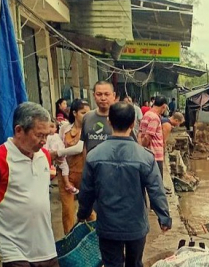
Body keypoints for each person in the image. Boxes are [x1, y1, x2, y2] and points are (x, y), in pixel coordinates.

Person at [77, 102, 171, 267]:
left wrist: (83, 214)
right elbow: (156, 190)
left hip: (107, 224)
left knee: (112, 264)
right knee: (134, 263)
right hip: (135, 225)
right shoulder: (145, 156)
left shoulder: (93, 155)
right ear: (133, 124)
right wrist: (164, 217)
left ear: (109, 122)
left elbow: (86, 191)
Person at [0, 102, 59, 267]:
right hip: (13, 245)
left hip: (45, 245)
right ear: (19, 130)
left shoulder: (44, 156)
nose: (43, 141)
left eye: (46, 135)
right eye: (39, 135)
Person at [51, 99, 95, 234]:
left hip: (84, 174)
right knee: (68, 212)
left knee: (89, 211)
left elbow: (79, 148)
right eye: (83, 113)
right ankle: (69, 239)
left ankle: (93, 239)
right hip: (65, 174)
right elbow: (58, 142)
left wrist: (57, 153)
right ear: (74, 113)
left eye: (88, 113)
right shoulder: (64, 128)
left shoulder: (92, 129)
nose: (86, 116)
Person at [81, 81, 116, 154]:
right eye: (99, 94)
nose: (103, 98)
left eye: (107, 94)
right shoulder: (87, 117)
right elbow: (84, 146)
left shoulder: (121, 117)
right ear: (94, 95)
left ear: (113, 95)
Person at [45, 118, 78, 195]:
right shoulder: (47, 137)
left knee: (65, 168)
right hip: (53, 156)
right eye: (49, 126)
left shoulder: (57, 136)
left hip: (62, 155)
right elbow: (45, 148)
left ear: (56, 128)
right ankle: (65, 184)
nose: (51, 129)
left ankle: (67, 184)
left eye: (52, 127)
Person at [138, 96, 168, 180]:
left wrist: (141, 149)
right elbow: (148, 137)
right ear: (164, 106)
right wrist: (144, 146)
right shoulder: (155, 118)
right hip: (155, 155)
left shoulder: (147, 114)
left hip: (147, 154)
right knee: (157, 183)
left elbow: (140, 133)